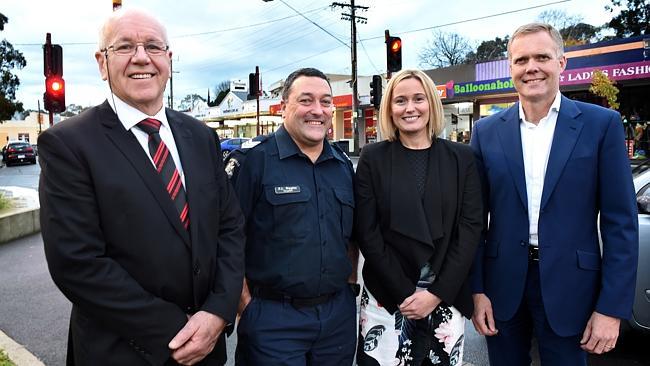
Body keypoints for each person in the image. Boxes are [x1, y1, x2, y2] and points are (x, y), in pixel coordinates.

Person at [38, 8, 245, 365]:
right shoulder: (68, 145)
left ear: (168, 59)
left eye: (152, 46)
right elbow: (77, 262)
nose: (140, 57)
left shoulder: (201, 137)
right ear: (102, 63)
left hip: (208, 348)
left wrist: (218, 313)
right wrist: (175, 330)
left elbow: (229, 229)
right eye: (124, 47)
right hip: (123, 352)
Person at [470, 23, 638, 365]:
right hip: (501, 289)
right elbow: (472, 221)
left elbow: (621, 223)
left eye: (542, 57)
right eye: (521, 60)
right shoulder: (485, 132)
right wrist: (475, 290)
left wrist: (611, 308)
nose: (531, 67)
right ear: (510, 69)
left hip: (572, 288)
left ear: (561, 63)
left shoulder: (601, 125)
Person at [229, 67, 359, 365]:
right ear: (284, 106)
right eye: (306, 100)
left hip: (336, 320)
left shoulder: (342, 166)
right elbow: (227, 241)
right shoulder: (253, 161)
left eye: (326, 102)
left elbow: (351, 238)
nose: (318, 110)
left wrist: (349, 286)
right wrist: (246, 307)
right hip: (273, 319)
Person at [355, 69, 483, 366]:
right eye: (400, 101)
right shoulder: (373, 158)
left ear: (432, 104)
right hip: (388, 299)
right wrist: (404, 293)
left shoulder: (461, 158)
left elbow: (470, 228)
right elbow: (367, 231)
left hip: (446, 296)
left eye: (418, 99)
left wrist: (437, 293)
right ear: (389, 108)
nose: (409, 108)